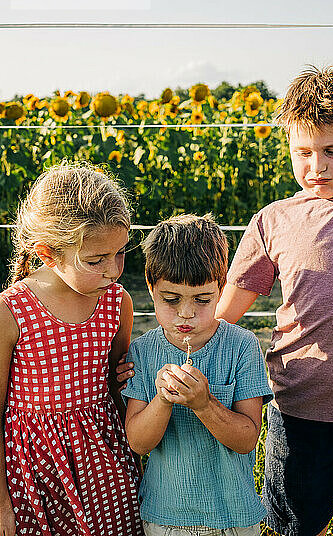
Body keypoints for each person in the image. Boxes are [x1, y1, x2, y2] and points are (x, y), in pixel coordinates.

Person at [214, 67, 333, 536]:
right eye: (303, 153)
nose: (316, 167)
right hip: (297, 413)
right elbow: (225, 314)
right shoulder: (271, 221)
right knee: (299, 528)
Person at [0, 163, 143, 536]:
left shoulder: (117, 303)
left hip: (104, 468)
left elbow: (117, 391)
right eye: (95, 260)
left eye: (120, 253)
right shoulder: (10, 311)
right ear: (48, 255)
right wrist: (1, 503)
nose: (113, 271)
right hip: (33, 475)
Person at [122, 214, 272, 536]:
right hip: (166, 516)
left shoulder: (241, 346)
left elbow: (247, 439)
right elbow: (138, 442)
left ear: (221, 288)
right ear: (151, 288)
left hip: (234, 515)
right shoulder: (143, 352)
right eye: (171, 300)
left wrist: (204, 405)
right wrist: (162, 399)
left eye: (202, 300)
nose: (186, 313)